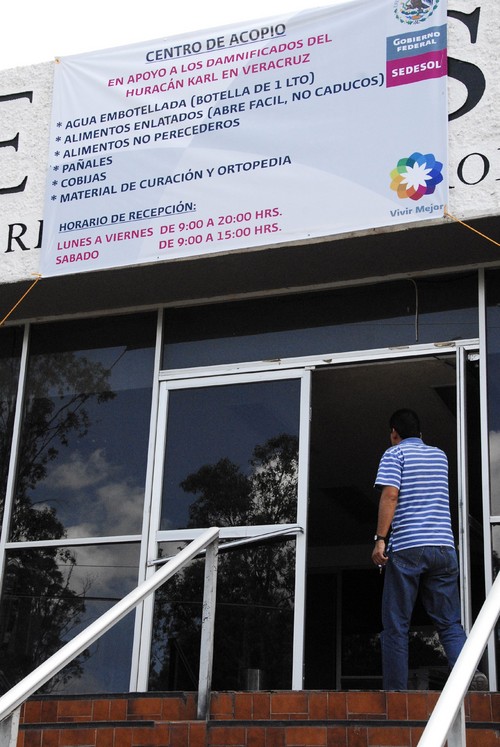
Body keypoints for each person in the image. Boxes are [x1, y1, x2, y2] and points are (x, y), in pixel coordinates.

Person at [371, 408, 488, 691]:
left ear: (394, 433)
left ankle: (396, 694)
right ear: (421, 434)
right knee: (449, 622)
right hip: (443, 547)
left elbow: (390, 496)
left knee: (396, 624)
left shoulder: (394, 454)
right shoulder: (440, 456)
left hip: (408, 546)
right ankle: (468, 674)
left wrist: (380, 538)